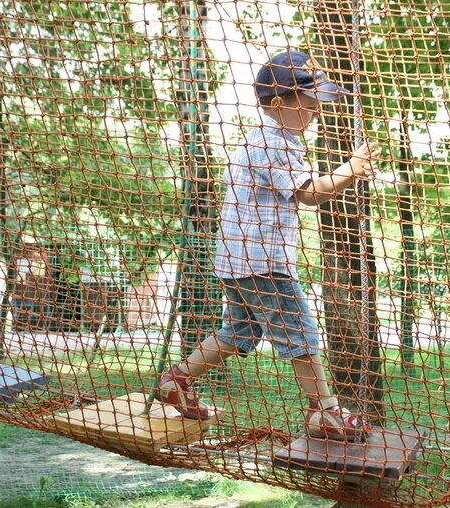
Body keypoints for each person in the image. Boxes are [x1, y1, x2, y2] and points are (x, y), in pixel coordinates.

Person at [157, 50, 378, 441]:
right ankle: (324, 412)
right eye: (310, 105)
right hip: (264, 263)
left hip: (239, 260)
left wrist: (348, 174)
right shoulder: (274, 143)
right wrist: (350, 169)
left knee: (240, 332)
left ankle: (177, 381)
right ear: (279, 104)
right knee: (303, 335)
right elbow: (310, 194)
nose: (317, 113)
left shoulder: (266, 139)